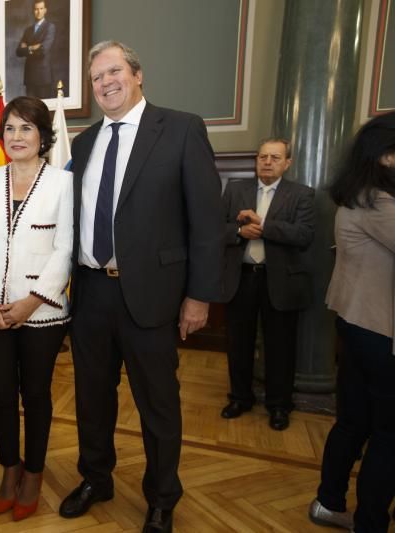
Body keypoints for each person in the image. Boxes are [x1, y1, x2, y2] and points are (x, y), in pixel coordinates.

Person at [57, 41, 223, 533]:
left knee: (158, 404)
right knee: (90, 398)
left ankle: (162, 497)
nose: (105, 82)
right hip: (89, 293)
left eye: (114, 72)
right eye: (96, 78)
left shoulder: (181, 129)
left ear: (137, 75)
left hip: (151, 295)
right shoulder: (84, 143)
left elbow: (207, 223)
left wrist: (199, 295)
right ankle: (96, 478)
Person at [0, 95, 72, 521]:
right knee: (0, 393)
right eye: (9, 128)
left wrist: (31, 302)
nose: (16, 136)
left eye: (26, 128)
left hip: (41, 315)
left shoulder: (63, 183)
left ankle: (34, 472)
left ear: (43, 135)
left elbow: (65, 248)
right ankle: (10, 469)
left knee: (38, 395)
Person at [310, 111, 395, 533]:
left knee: (353, 421)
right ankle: (371, 522)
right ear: (387, 157)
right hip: (378, 331)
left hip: (357, 324)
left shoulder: (359, 195)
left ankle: (329, 501)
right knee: (387, 434)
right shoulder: (379, 202)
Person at [220, 138, 315, 431]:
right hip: (241, 278)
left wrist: (261, 226)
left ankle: (279, 405)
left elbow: (303, 236)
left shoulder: (301, 195)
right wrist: (238, 230)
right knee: (239, 344)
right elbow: (216, 228)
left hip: (280, 282)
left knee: (280, 348)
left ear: (287, 163)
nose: (267, 162)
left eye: (275, 157)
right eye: (262, 157)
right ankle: (240, 398)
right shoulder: (236, 190)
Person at [16, 0, 56, 98]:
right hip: (29, 77)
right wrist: (33, 47)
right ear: (33, 11)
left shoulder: (50, 27)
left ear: (45, 10)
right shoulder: (28, 30)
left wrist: (27, 48)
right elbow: (18, 51)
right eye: (36, 9)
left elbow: (43, 51)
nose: (38, 11)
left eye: (41, 9)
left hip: (43, 77)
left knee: (43, 109)